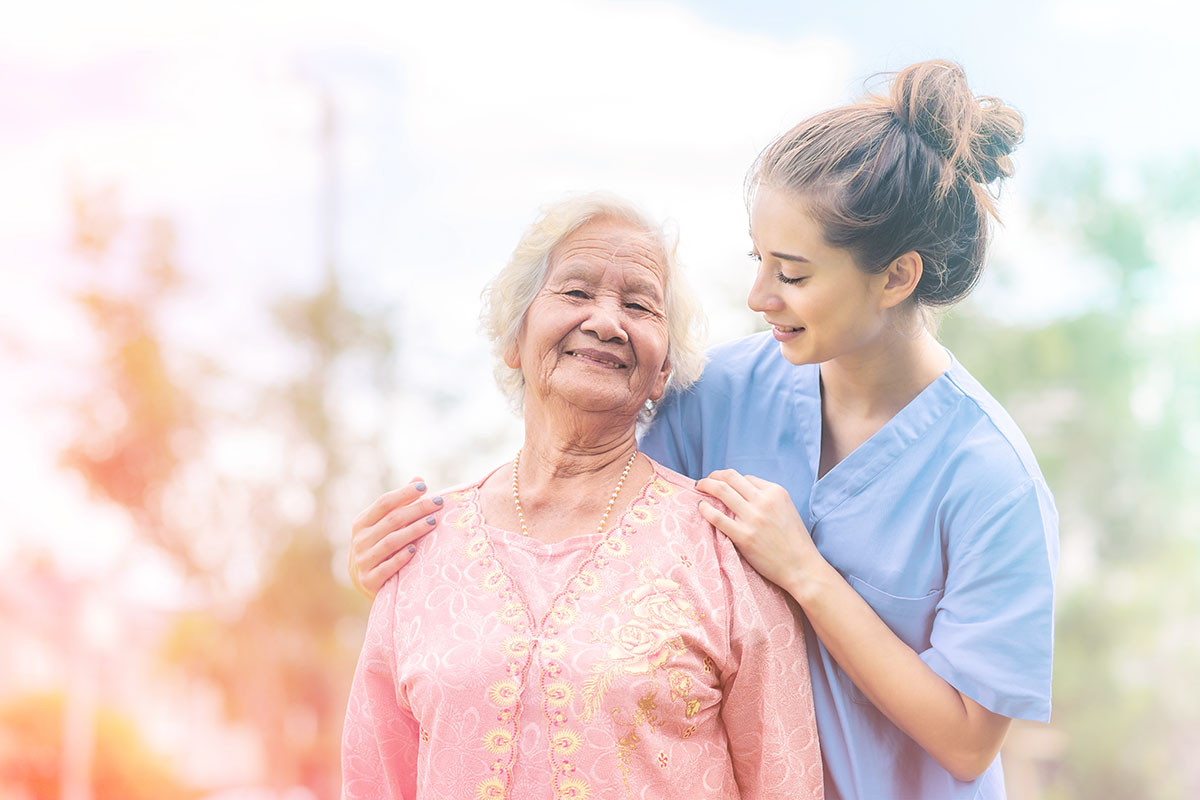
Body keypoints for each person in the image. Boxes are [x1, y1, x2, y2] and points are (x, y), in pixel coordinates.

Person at [350, 60, 1058, 800]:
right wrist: (430, 572)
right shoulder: (717, 394)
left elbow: (968, 740)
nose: (758, 297)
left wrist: (807, 574)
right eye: (759, 260)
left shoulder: (991, 477)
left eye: (793, 273)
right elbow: (586, 505)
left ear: (896, 277)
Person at [342, 194, 824, 800]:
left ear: (662, 372)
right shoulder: (418, 551)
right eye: (575, 292)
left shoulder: (726, 552)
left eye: (638, 305)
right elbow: (375, 780)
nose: (606, 321)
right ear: (514, 338)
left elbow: (787, 783)